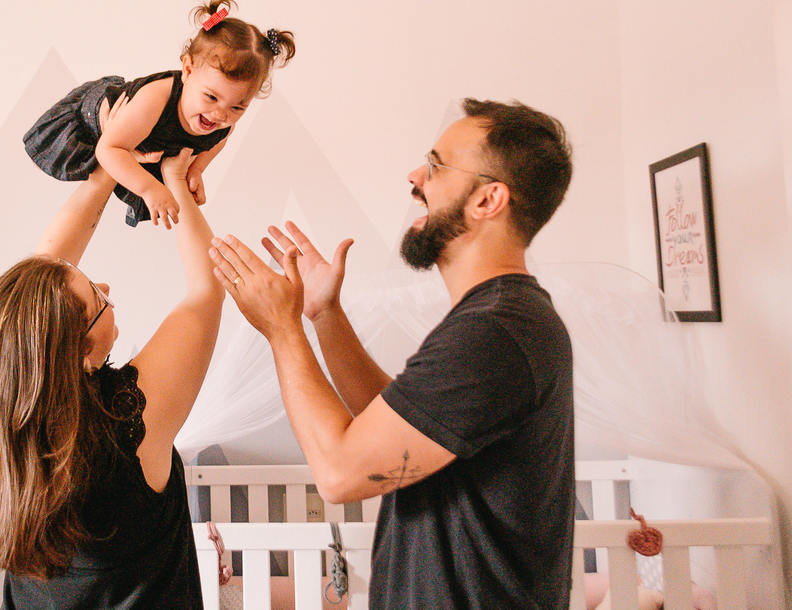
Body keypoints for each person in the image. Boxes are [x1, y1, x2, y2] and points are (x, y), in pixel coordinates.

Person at [208, 98, 576, 609]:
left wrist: (281, 328)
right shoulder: (499, 319)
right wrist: (324, 314)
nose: (415, 177)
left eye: (436, 166)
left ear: (488, 199)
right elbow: (394, 426)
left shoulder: (495, 332)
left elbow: (339, 472)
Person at [0, 147, 224, 609]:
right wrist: (175, 179)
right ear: (81, 351)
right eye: (97, 297)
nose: (107, 287)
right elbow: (206, 290)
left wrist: (110, 167)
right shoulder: (126, 421)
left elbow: (43, 281)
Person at [23, 0, 295, 228]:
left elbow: (219, 140)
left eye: (237, 107)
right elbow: (108, 149)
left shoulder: (224, 123)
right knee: (76, 161)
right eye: (211, 97)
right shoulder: (156, 99)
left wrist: (197, 169)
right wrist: (149, 188)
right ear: (187, 70)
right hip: (99, 117)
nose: (220, 115)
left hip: (146, 140)